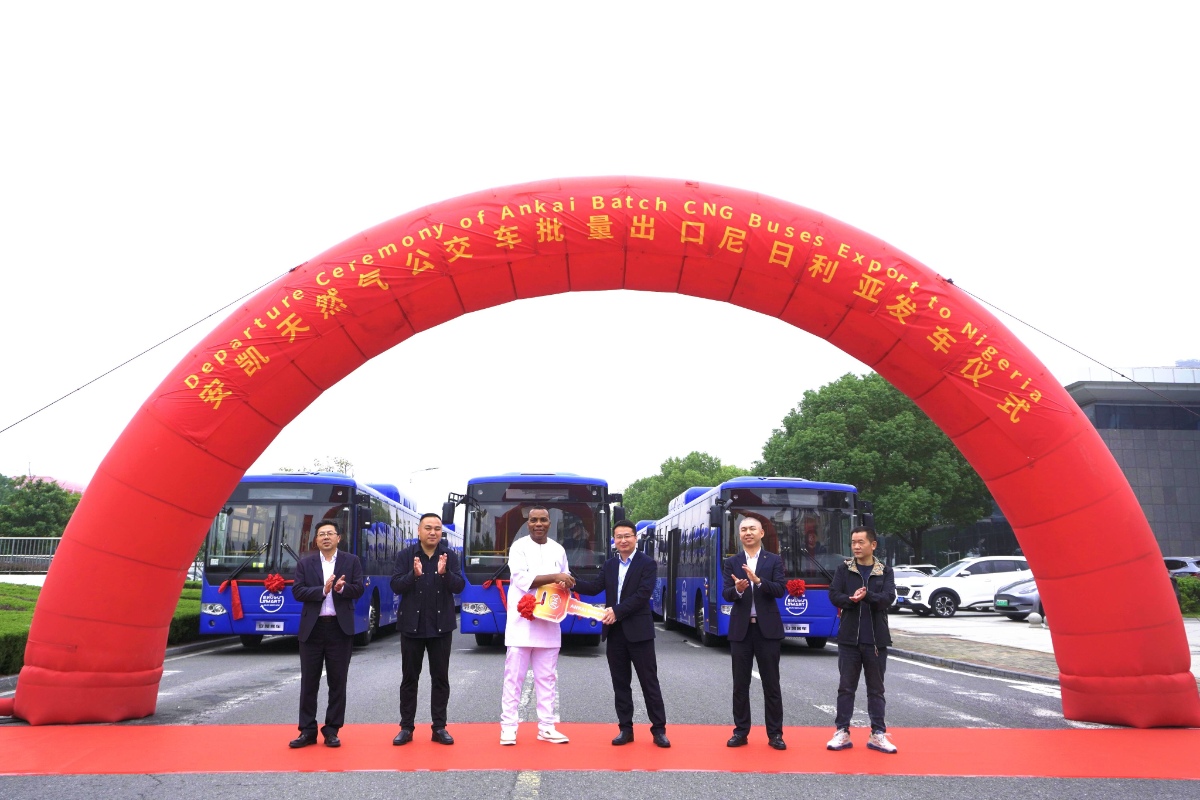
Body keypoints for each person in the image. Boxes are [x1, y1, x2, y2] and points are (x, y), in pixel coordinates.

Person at [573, 518, 670, 748]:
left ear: (635, 538)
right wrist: (569, 582)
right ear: (614, 540)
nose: (623, 540)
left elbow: (642, 595)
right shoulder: (609, 565)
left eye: (627, 536)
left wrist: (616, 611)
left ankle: (659, 730)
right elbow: (594, 588)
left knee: (649, 683)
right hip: (615, 633)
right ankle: (625, 729)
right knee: (620, 684)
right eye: (619, 537)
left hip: (640, 632)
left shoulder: (647, 564)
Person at [499, 505, 575, 745]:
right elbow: (521, 579)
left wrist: (566, 582)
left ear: (549, 523)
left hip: (549, 625)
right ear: (528, 523)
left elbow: (565, 578)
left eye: (543, 520)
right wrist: (556, 577)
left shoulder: (558, 549)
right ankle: (508, 728)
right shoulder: (518, 547)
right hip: (521, 625)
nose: (538, 524)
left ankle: (547, 727)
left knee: (547, 679)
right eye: (534, 520)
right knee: (514, 679)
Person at [390, 512, 465, 746]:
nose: (433, 532)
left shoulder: (449, 556)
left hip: (440, 627)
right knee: (409, 678)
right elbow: (395, 585)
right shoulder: (405, 556)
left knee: (440, 678)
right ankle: (406, 727)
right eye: (428, 528)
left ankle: (439, 727)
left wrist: (445, 574)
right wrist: (413, 575)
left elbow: (459, 586)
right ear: (419, 531)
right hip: (411, 627)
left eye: (437, 528)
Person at [289, 520, 364, 748]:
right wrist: (323, 590)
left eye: (330, 533)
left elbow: (359, 588)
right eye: (321, 534)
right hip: (312, 629)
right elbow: (297, 591)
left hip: (339, 629)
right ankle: (307, 731)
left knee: (337, 682)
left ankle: (332, 730)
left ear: (338, 538)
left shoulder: (351, 561)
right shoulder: (305, 562)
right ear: (316, 540)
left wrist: (342, 588)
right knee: (309, 682)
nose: (326, 537)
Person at [826, 526, 898, 754]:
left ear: (873, 545)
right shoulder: (844, 569)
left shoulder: (885, 571)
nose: (856, 546)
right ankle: (842, 731)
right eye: (853, 542)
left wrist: (868, 596)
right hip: (849, 639)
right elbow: (833, 594)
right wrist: (851, 600)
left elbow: (888, 598)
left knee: (876, 689)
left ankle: (878, 733)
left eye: (861, 542)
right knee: (846, 688)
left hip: (876, 640)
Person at [721, 515, 787, 750]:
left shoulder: (774, 560)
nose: (747, 533)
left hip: (767, 630)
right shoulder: (732, 562)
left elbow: (780, 589)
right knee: (740, 685)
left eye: (752, 529)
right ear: (739, 535)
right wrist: (738, 590)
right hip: (741, 630)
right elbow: (726, 593)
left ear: (761, 533)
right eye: (743, 530)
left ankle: (775, 734)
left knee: (772, 685)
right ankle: (740, 732)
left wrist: (758, 581)